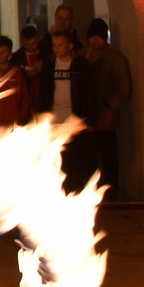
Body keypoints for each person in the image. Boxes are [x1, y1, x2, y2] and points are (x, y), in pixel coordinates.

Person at [38, 29, 95, 193]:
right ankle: (65, 192)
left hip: (76, 120)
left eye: (60, 44)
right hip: (56, 120)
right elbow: (44, 93)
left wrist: (90, 119)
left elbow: (90, 91)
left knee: (79, 160)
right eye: (54, 45)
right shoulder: (49, 66)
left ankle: (80, 192)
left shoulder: (80, 65)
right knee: (61, 160)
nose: (56, 48)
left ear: (70, 46)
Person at [85, 19, 131, 198]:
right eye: (93, 37)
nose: (95, 41)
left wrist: (110, 105)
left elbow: (123, 87)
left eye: (99, 37)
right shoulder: (84, 56)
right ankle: (92, 190)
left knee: (108, 154)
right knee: (90, 156)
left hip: (106, 115)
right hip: (89, 114)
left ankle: (111, 190)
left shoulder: (114, 59)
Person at [0, 36, 33, 127]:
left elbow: (25, 97)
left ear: (10, 53)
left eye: (3, 51)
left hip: (13, 123)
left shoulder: (17, 75)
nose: (0, 54)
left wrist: (22, 118)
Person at [10, 25, 44, 109]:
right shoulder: (17, 58)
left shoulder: (46, 54)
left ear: (38, 39)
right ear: (21, 41)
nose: (31, 47)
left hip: (44, 96)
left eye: (34, 43)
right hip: (26, 99)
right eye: (27, 45)